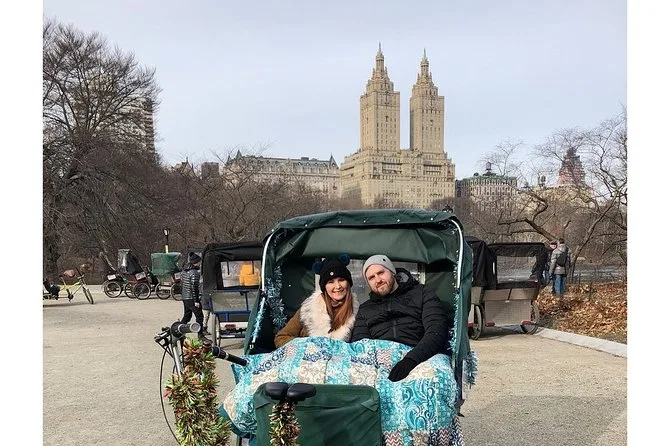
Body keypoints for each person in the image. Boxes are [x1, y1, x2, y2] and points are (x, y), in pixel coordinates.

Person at [350, 255, 450, 382]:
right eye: (371, 278)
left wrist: (411, 360)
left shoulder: (422, 293)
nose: (378, 280)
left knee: (439, 378)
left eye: (381, 273)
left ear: (392, 272)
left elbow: (436, 331)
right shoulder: (365, 309)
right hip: (379, 360)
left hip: (420, 355)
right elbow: (361, 344)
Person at [274, 255, 359, 348]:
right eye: (330, 282)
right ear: (324, 287)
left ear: (348, 283)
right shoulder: (308, 309)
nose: (337, 286)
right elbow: (281, 338)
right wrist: (307, 345)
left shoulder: (358, 312)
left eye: (341, 280)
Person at [180, 252, 206, 341]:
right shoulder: (194, 272)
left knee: (187, 316)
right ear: (196, 262)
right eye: (199, 262)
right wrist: (196, 301)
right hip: (192, 298)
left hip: (185, 297)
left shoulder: (184, 271)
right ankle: (200, 335)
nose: (200, 264)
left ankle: (178, 331)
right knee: (199, 316)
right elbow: (194, 287)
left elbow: (182, 284)